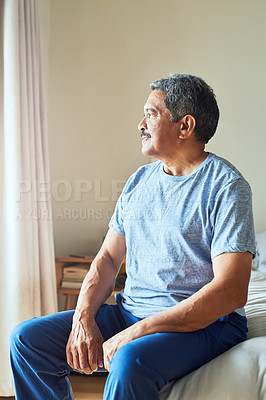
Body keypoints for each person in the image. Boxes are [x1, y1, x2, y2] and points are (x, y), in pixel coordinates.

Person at [10, 73, 256, 400]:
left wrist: (137, 333)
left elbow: (231, 291)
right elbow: (108, 259)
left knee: (129, 360)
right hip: (131, 311)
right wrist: (84, 316)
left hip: (205, 326)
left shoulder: (226, 187)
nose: (140, 123)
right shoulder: (139, 181)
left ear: (185, 126)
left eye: (151, 114)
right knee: (27, 340)